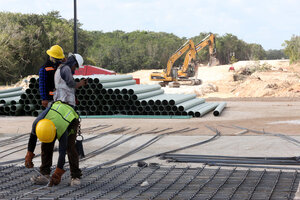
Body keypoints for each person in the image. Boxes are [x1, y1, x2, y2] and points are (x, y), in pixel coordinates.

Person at [25, 101, 82, 186]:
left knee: (70, 148)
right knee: (46, 146)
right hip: (55, 113)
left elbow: (62, 153)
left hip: (70, 119)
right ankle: (45, 174)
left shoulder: (62, 130)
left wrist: (58, 172)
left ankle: (75, 176)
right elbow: (32, 139)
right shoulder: (37, 123)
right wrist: (29, 154)